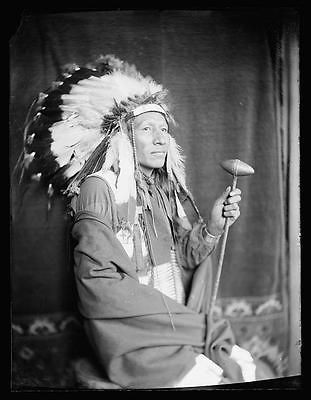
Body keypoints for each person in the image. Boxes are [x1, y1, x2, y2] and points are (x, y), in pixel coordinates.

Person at [17, 55, 269, 389]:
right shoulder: (99, 188)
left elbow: (184, 260)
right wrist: (176, 320)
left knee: (235, 366)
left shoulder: (164, 190)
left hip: (174, 323)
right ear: (123, 137)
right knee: (209, 374)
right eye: (147, 130)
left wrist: (212, 226)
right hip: (131, 334)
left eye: (164, 130)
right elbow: (97, 284)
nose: (161, 139)